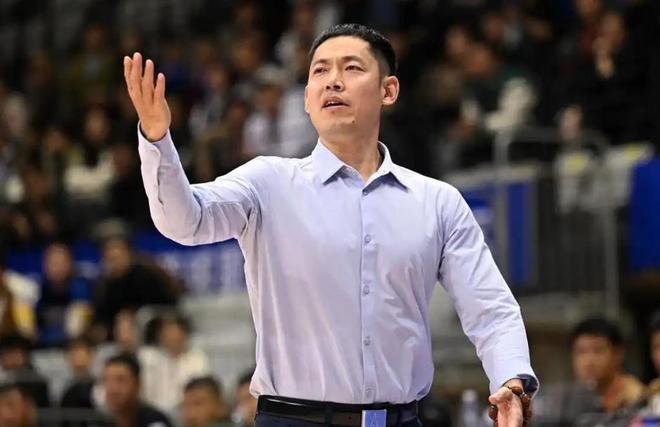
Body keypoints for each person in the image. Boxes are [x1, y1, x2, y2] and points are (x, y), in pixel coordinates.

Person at [123, 23, 538, 427]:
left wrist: (512, 382)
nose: (333, 81)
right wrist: (157, 139)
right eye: (320, 71)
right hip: (293, 419)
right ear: (307, 98)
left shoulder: (438, 202)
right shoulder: (268, 182)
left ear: (388, 90)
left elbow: (491, 309)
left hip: (402, 418)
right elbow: (186, 221)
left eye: (352, 68)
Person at [570, 317, 644, 414]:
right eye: (581, 351)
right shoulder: (571, 399)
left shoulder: (636, 397)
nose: (588, 361)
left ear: (618, 354)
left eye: (598, 350)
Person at [140, 312, 211, 413]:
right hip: (154, 411)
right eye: (165, 331)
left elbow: (198, 391)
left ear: (184, 334)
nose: (169, 335)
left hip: (185, 411)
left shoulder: (198, 359)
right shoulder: (150, 359)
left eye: (173, 330)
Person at [100, 352, 172, 427]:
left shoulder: (155, 422)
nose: (112, 389)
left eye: (120, 380)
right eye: (106, 380)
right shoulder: (99, 421)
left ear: (137, 384)